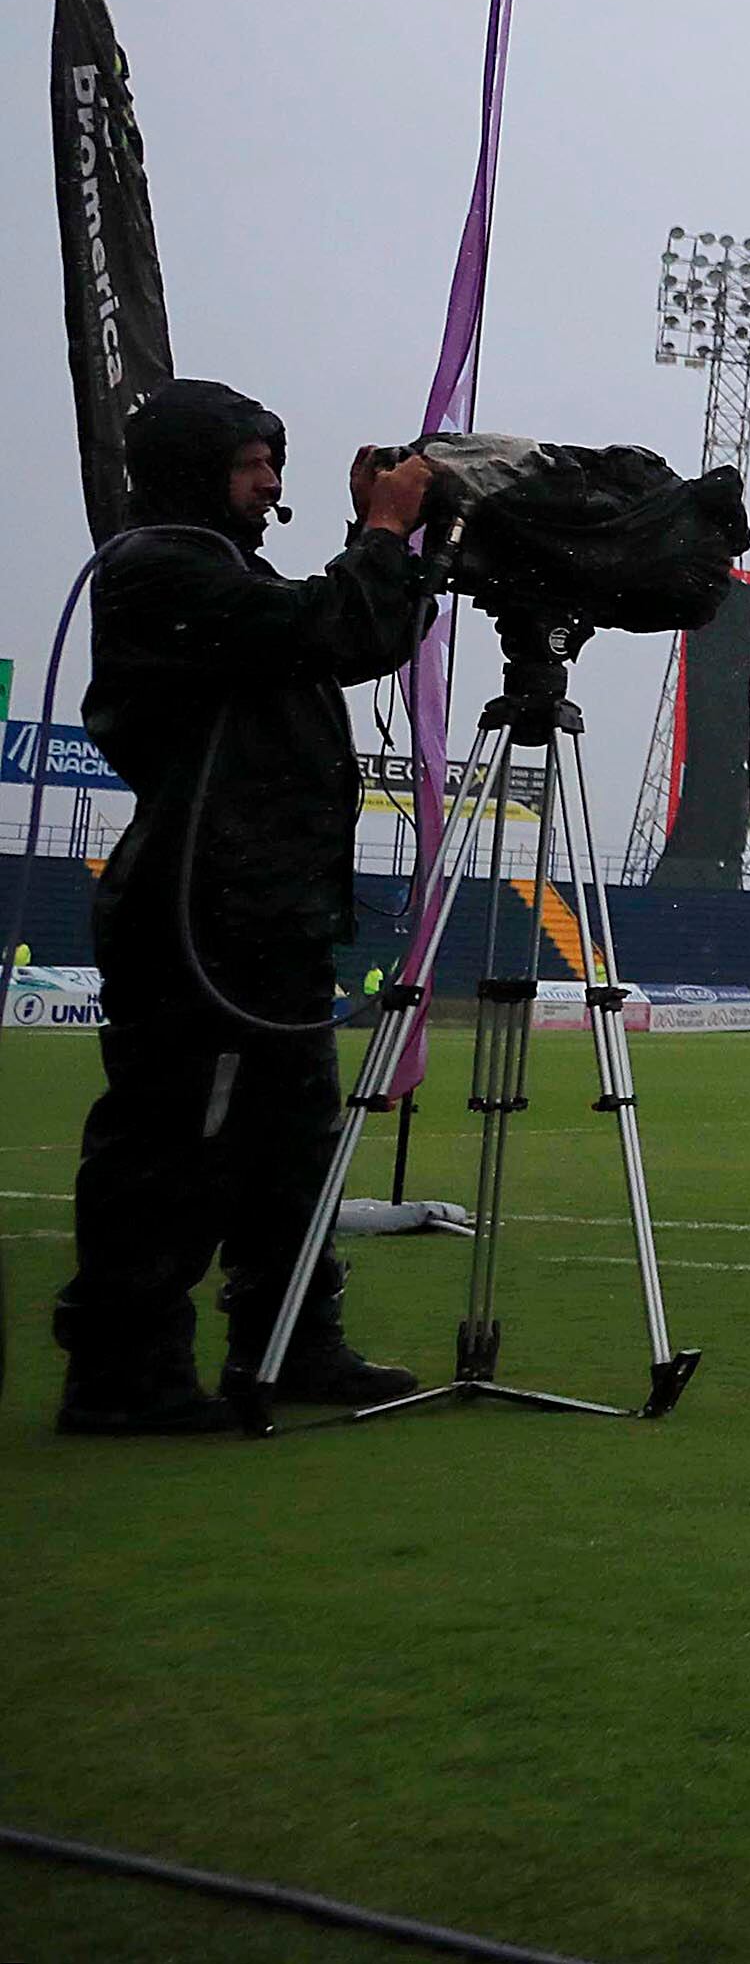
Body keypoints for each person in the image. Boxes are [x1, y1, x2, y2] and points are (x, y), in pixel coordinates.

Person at [52, 382, 436, 1434]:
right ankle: (125, 1376)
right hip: (200, 912)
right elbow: (321, 629)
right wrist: (382, 534)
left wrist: (387, 544)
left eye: (273, 461)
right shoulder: (159, 568)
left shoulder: (220, 569)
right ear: (193, 471)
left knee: (289, 1146)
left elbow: (356, 634)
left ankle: (292, 1341)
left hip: (267, 909)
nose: (271, 482)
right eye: (249, 463)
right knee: (176, 1145)